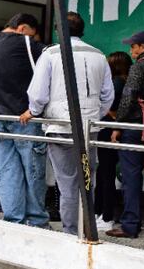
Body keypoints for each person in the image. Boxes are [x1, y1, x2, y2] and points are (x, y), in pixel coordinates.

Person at [24, 12, 114, 236]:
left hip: (60, 127)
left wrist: (33, 112)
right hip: (89, 130)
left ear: (59, 30)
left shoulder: (51, 54)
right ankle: (88, 229)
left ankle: (71, 232)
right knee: (87, 180)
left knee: (67, 184)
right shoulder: (99, 55)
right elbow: (108, 95)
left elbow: (37, 94)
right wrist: (94, 116)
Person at [0, 13, 48, 227]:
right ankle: (37, 222)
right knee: (33, 170)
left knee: (6, 172)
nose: (33, 38)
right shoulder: (25, 42)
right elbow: (52, 59)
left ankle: (13, 221)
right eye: (32, 34)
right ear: (22, 28)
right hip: (23, 117)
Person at [107, 31, 144, 239]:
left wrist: (117, 125)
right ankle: (133, 220)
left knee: (129, 177)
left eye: (133, 47)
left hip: (135, 128)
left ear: (142, 47)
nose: (131, 51)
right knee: (133, 175)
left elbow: (128, 96)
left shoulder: (141, 65)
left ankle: (129, 224)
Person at [94, 51, 131, 231]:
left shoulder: (115, 83)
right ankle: (102, 213)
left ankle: (106, 215)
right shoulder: (127, 83)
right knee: (106, 172)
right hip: (120, 131)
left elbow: (108, 106)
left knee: (106, 174)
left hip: (108, 131)